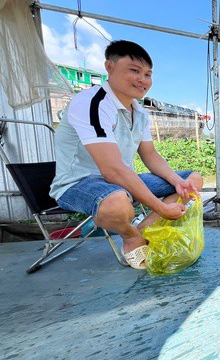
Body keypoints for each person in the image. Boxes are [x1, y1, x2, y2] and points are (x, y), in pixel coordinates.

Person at [50, 40, 203, 269]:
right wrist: (162, 209)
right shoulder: (92, 103)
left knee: (192, 181)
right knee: (118, 204)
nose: (143, 80)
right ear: (109, 67)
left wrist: (178, 182)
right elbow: (111, 170)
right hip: (79, 183)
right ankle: (131, 239)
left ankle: (141, 230)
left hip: (122, 181)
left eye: (147, 74)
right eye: (134, 71)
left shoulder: (139, 112)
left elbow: (150, 155)